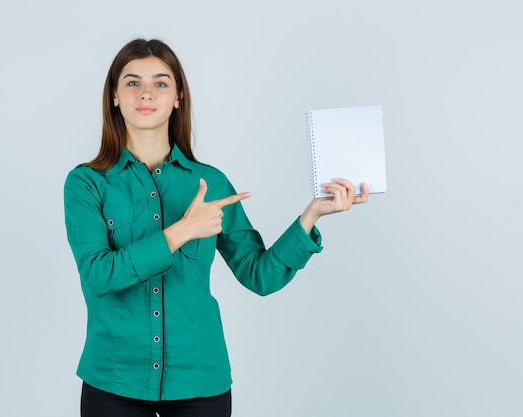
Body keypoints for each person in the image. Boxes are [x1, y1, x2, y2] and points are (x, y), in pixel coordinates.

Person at [63, 38, 368, 417]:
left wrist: (311, 216)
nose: (146, 93)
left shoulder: (212, 183)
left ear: (178, 97)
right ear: (114, 96)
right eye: (132, 82)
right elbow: (98, 276)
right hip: (113, 380)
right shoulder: (87, 183)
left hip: (199, 380)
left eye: (160, 83)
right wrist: (183, 230)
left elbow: (260, 275)